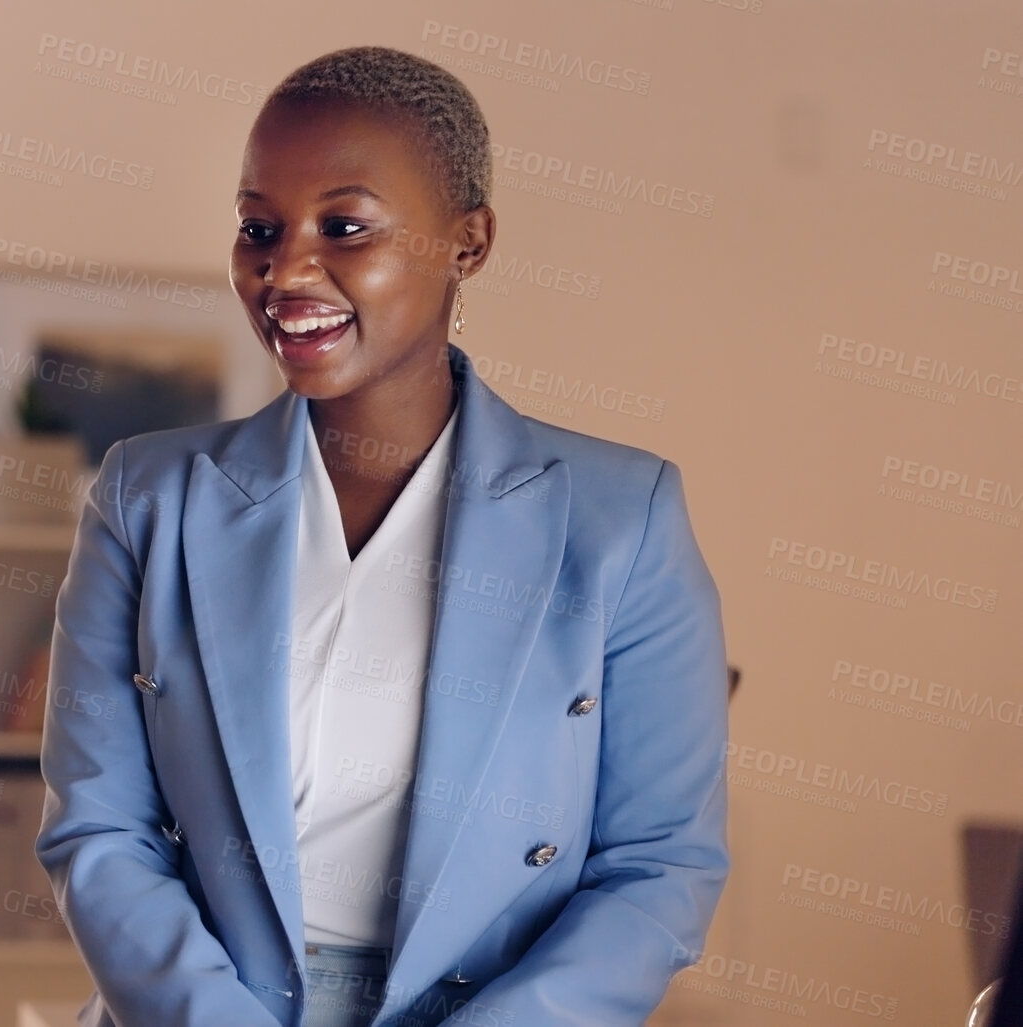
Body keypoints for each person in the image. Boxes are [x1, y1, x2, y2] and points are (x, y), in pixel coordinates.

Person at [36, 46, 728, 1027]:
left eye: (343, 226)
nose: (286, 270)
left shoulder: (624, 518)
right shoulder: (150, 496)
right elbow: (99, 831)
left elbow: (660, 864)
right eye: (259, 229)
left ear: (469, 242)